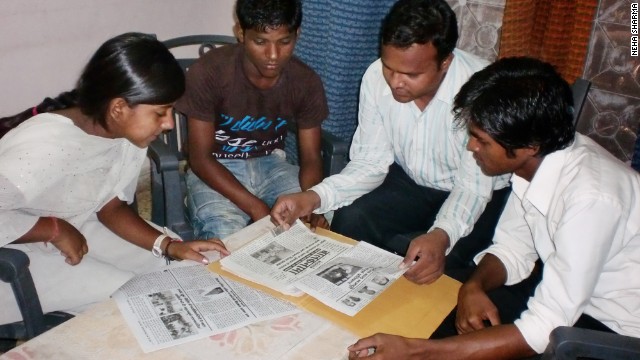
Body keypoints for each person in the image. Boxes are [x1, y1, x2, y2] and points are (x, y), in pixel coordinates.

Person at [346, 57, 640, 359]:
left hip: (612, 332)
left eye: (481, 140)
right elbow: (512, 248)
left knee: (426, 344)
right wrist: (473, 287)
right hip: (566, 300)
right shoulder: (542, 162)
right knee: (430, 308)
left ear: (528, 146)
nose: (471, 147)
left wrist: (415, 352)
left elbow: (545, 329)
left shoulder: (590, 199)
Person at [270, 0, 511, 285]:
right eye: (389, 68)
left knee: (439, 265)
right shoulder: (375, 76)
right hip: (411, 180)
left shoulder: (481, 89)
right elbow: (371, 162)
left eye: (411, 74)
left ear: (445, 62)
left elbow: (472, 187)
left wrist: (441, 234)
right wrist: (312, 197)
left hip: (481, 193)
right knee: (351, 220)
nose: (396, 82)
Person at [0, 32, 229, 326]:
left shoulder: (125, 135)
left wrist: (169, 246)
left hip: (77, 225)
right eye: (160, 113)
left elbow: (111, 206)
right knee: (136, 299)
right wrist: (53, 229)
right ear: (119, 108)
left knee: (182, 268)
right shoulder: (45, 146)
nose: (169, 124)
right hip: (14, 251)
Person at [175, 0, 330, 240]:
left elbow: (311, 156)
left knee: (313, 230)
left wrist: (310, 203)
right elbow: (200, 158)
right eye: (260, 42)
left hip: (272, 164)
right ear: (240, 33)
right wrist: (256, 207)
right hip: (217, 166)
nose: (273, 55)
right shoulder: (209, 72)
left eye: (284, 42)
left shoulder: (305, 81)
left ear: (297, 35)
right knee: (226, 237)